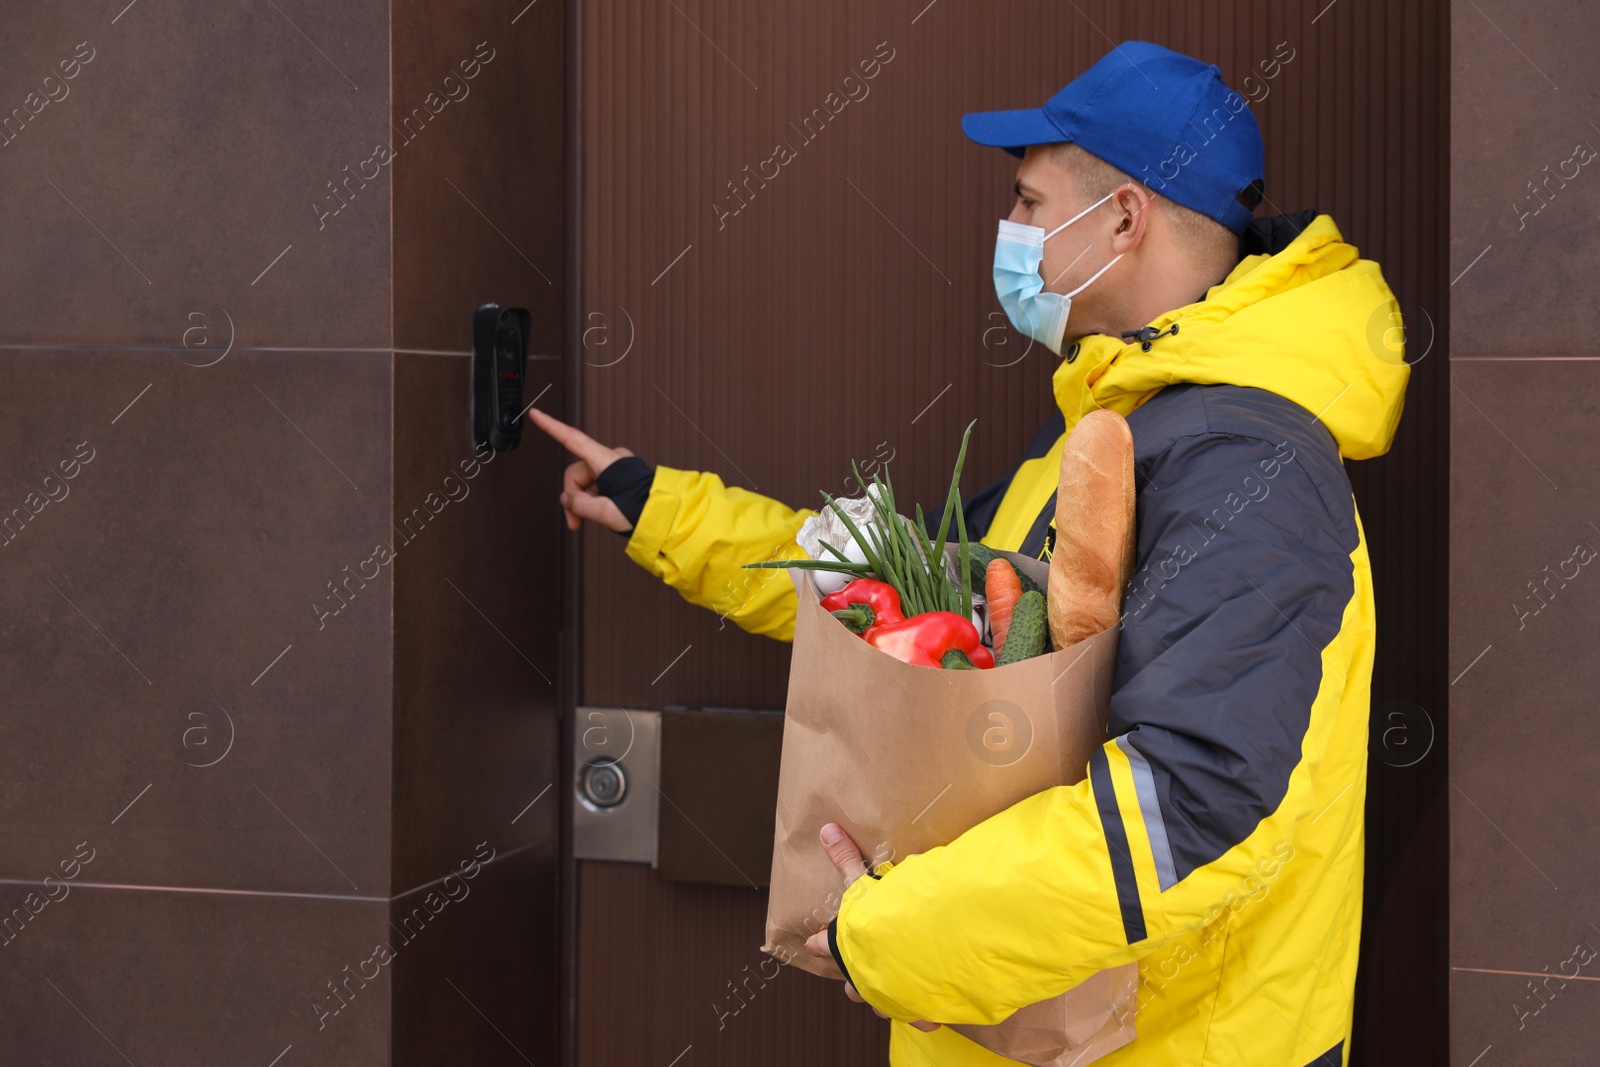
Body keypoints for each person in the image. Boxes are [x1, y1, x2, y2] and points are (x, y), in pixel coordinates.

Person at [530, 38, 1408, 1067]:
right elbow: (902, 595)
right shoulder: (1121, 420)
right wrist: (663, 509)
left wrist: (889, 935)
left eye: (1031, 204)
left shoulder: (1245, 464)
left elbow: (1195, 805)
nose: (1012, 232)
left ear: (1123, 218)